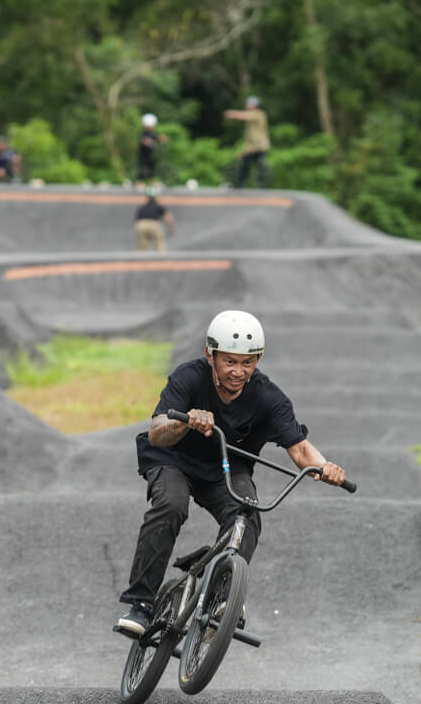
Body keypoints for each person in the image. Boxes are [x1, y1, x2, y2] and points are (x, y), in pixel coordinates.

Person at [114, 310, 346, 637]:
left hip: (225, 467)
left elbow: (301, 450)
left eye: (248, 363)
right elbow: (157, 433)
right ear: (210, 355)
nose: (238, 372)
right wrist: (186, 421)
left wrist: (326, 468)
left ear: (258, 360)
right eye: (230, 362)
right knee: (171, 504)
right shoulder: (188, 377)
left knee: (246, 514)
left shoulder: (269, 397)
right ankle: (141, 604)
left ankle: (222, 597)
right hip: (173, 459)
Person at [224, 95, 270, 189]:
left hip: (260, 145)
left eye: (248, 104)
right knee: (244, 164)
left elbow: (245, 116)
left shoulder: (259, 113)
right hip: (251, 146)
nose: (246, 105)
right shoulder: (254, 114)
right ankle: (239, 184)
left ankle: (261, 185)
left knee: (259, 166)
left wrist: (232, 113)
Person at [133, 185, 176, 251]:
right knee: (159, 244)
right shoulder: (159, 206)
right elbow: (168, 218)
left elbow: (136, 221)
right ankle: (161, 255)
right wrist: (171, 228)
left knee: (142, 247)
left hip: (141, 225)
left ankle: (142, 255)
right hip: (154, 225)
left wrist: (138, 230)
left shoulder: (142, 207)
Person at [136, 113, 167, 185]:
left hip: (150, 154)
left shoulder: (153, 133)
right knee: (142, 167)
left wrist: (163, 139)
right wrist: (149, 142)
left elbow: (159, 137)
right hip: (143, 154)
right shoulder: (143, 132)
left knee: (152, 167)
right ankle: (139, 181)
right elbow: (143, 140)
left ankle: (152, 181)